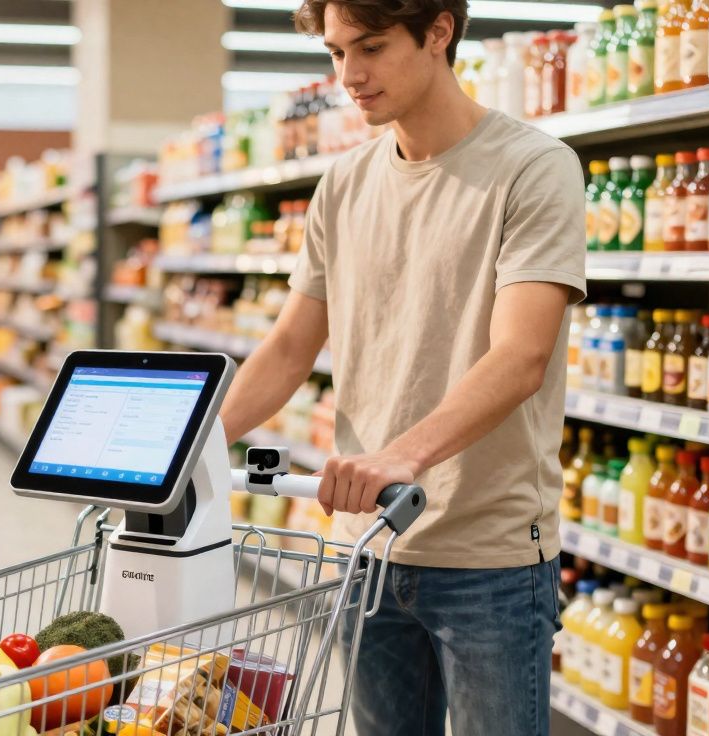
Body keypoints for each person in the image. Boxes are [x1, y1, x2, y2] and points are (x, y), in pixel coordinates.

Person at [216, 1, 585, 734]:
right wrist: (187, 442)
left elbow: (520, 357)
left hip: (492, 557)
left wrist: (398, 456)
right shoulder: (343, 184)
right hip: (370, 551)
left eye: (372, 47)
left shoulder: (534, 168)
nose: (349, 75)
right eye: (335, 52)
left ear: (439, 31)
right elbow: (291, 347)